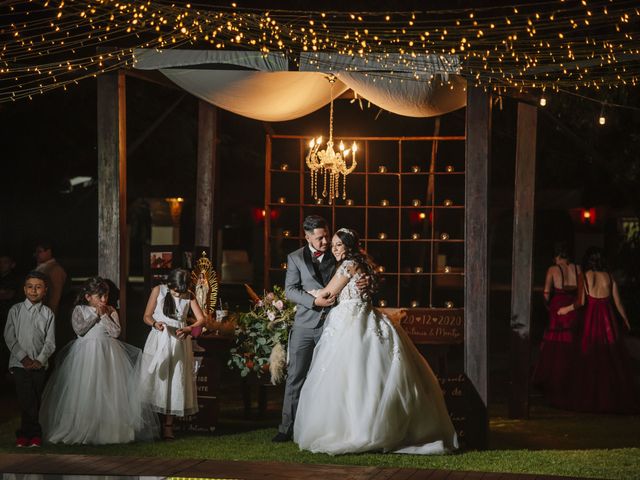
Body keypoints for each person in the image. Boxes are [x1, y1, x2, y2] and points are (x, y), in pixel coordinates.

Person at [293, 228, 458, 455]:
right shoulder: (357, 265)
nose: (334, 249)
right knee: (356, 375)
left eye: (338, 245)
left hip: (353, 323)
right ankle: (359, 425)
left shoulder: (348, 265)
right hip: (352, 319)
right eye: (332, 245)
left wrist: (304, 295)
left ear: (349, 247)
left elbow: (329, 294)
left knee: (355, 374)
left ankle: (359, 430)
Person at [273, 215, 368, 443]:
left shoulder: (340, 254)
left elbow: (354, 272)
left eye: (327, 235)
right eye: (320, 238)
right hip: (305, 325)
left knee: (329, 378)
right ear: (307, 237)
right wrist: (313, 301)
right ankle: (287, 427)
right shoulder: (295, 258)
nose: (325, 242)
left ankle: (323, 426)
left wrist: (366, 280)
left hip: (335, 325)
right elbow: (290, 291)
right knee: (296, 376)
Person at [39, 277, 158, 444]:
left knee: (108, 388)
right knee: (87, 387)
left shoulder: (110, 310)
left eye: (106, 296)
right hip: (86, 353)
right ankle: (83, 426)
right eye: (99, 296)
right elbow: (80, 330)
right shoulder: (79, 309)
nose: (103, 300)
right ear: (88, 297)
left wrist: (104, 316)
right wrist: (96, 314)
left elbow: (116, 332)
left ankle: (108, 430)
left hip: (108, 352)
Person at [558, 246, 639, 413]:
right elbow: (618, 303)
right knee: (611, 358)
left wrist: (565, 309)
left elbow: (580, 302)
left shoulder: (585, 276)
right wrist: (625, 320)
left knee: (589, 357)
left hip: (590, 320)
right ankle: (612, 398)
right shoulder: (609, 277)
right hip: (608, 320)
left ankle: (590, 398)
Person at [140, 268, 206, 440]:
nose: (178, 294)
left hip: (178, 342)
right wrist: (155, 323)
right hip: (159, 339)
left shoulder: (189, 295)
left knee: (175, 381)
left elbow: (201, 319)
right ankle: (150, 423)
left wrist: (190, 328)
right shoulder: (158, 290)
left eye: (181, 291)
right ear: (170, 284)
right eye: (176, 290)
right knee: (155, 380)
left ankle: (168, 425)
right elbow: (146, 316)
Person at [3, 271, 55, 448]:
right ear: (24, 289)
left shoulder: (48, 314)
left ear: (45, 290)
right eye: (30, 287)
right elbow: (9, 336)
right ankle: (30, 435)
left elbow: (50, 342)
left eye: (38, 287)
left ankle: (29, 435)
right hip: (20, 365)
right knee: (26, 399)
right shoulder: (15, 310)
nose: (34, 290)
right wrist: (23, 358)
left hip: (39, 365)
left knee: (35, 399)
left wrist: (40, 360)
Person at [532, 242, 581, 409]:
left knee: (554, 345)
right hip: (573, 307)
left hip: (558, 307)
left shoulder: (553, 269)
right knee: (572, 343)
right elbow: (581, 293)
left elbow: (546, 291)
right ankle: (572, 381)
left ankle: (553, 381)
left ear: (556, 256)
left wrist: (546, 304)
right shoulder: (578, 269)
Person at [34, 241, 67, 316]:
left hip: (46, 312)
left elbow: (56, 295)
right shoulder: (42, 267)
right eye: (36, 252)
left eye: (39, 251)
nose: (36, 254)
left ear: (48, 252)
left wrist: (51, 314)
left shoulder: (55, 269)